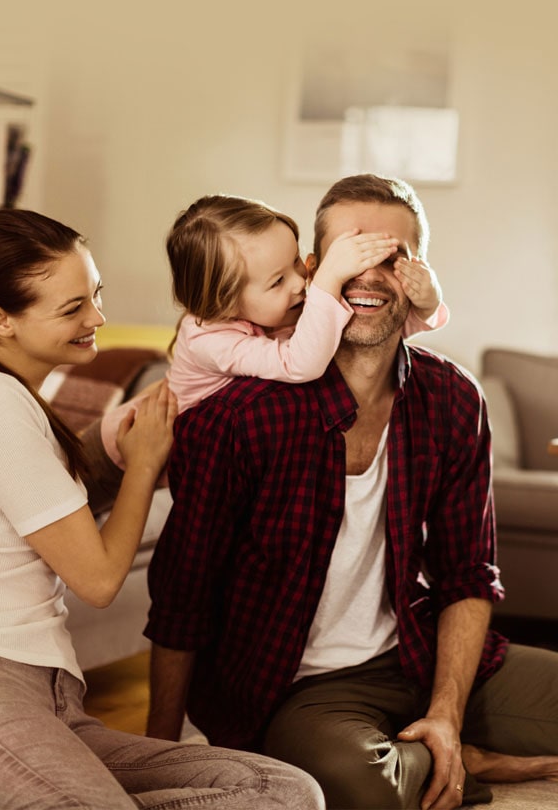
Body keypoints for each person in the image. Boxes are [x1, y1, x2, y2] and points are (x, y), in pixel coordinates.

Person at [0, 208, 322, 810]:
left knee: (280, 791)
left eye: (94, 294)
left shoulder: (5, 406)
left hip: (51, 700)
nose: (97, 318)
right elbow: (95, 578)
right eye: (72, 309)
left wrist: (140, 426)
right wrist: (144, 463)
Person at [144, 175, 558, 810]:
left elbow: (468, 574)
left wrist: (445, 711)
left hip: (420, 658)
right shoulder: (241, 413)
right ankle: (447, 763)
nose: (367, 275)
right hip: (298, 689)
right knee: (356, 783)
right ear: (312, 268)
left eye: (389, 256)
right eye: (350, 253)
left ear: (419, 273)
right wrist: (162, 754)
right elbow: (182, 596)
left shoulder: (452, 398)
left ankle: (438, 743)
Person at [101, 193, 448, 466]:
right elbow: (301, 364)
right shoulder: (207, 338)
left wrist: (428, 303)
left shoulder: (281, 307)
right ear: (226, 303)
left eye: (297, 261)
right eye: (277, 280)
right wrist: (328, 278)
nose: (301, 282)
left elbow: (376, 331)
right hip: (127, 446)